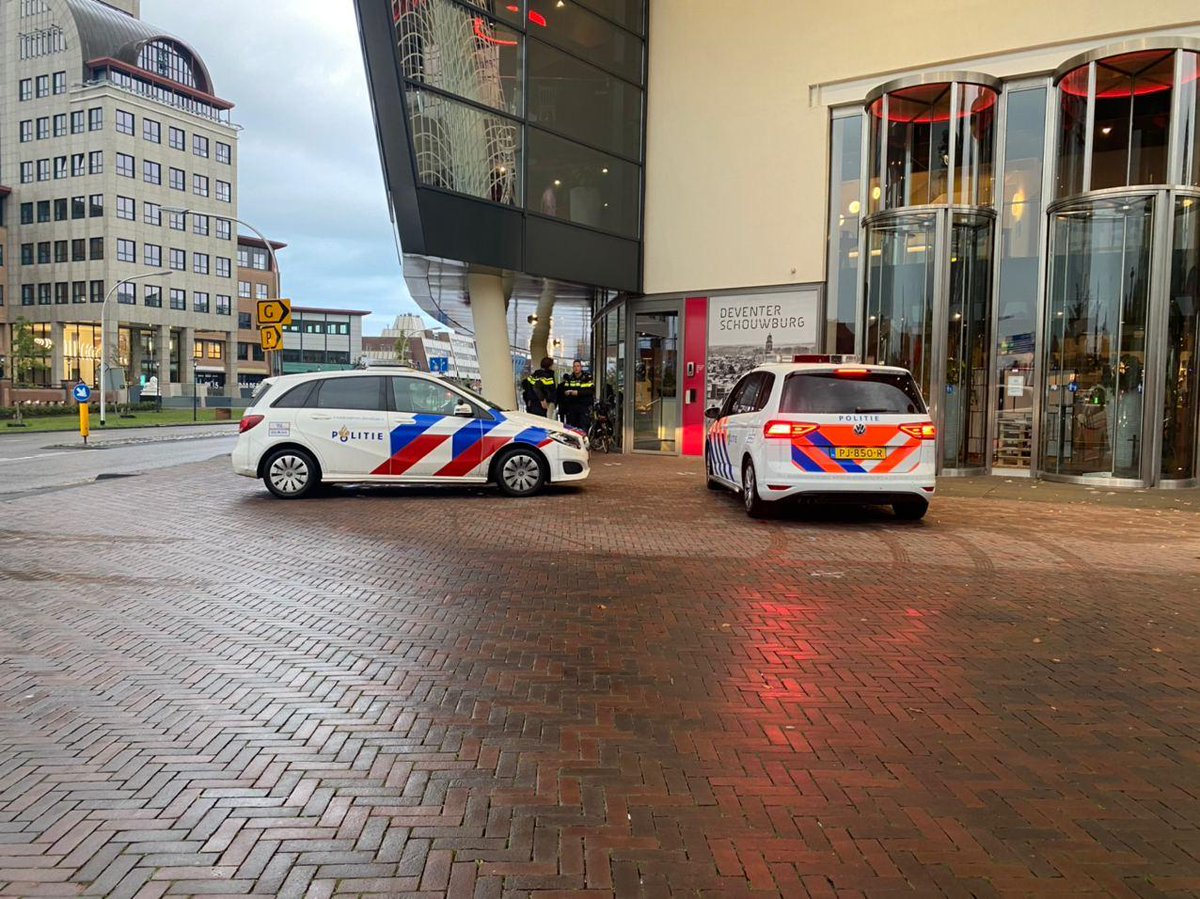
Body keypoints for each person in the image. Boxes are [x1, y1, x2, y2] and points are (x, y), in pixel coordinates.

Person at [557, 359, 594, 430]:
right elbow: (565, 388)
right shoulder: (570, 378)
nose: (576, 368)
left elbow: (590, 390)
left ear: (581, 367)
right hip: (572, 407)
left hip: (584, 406)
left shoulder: (587, 378)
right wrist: (567, 392)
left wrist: (578, 393)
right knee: (572, 428)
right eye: (574, 366)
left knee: (584, 427)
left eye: (578, 366)